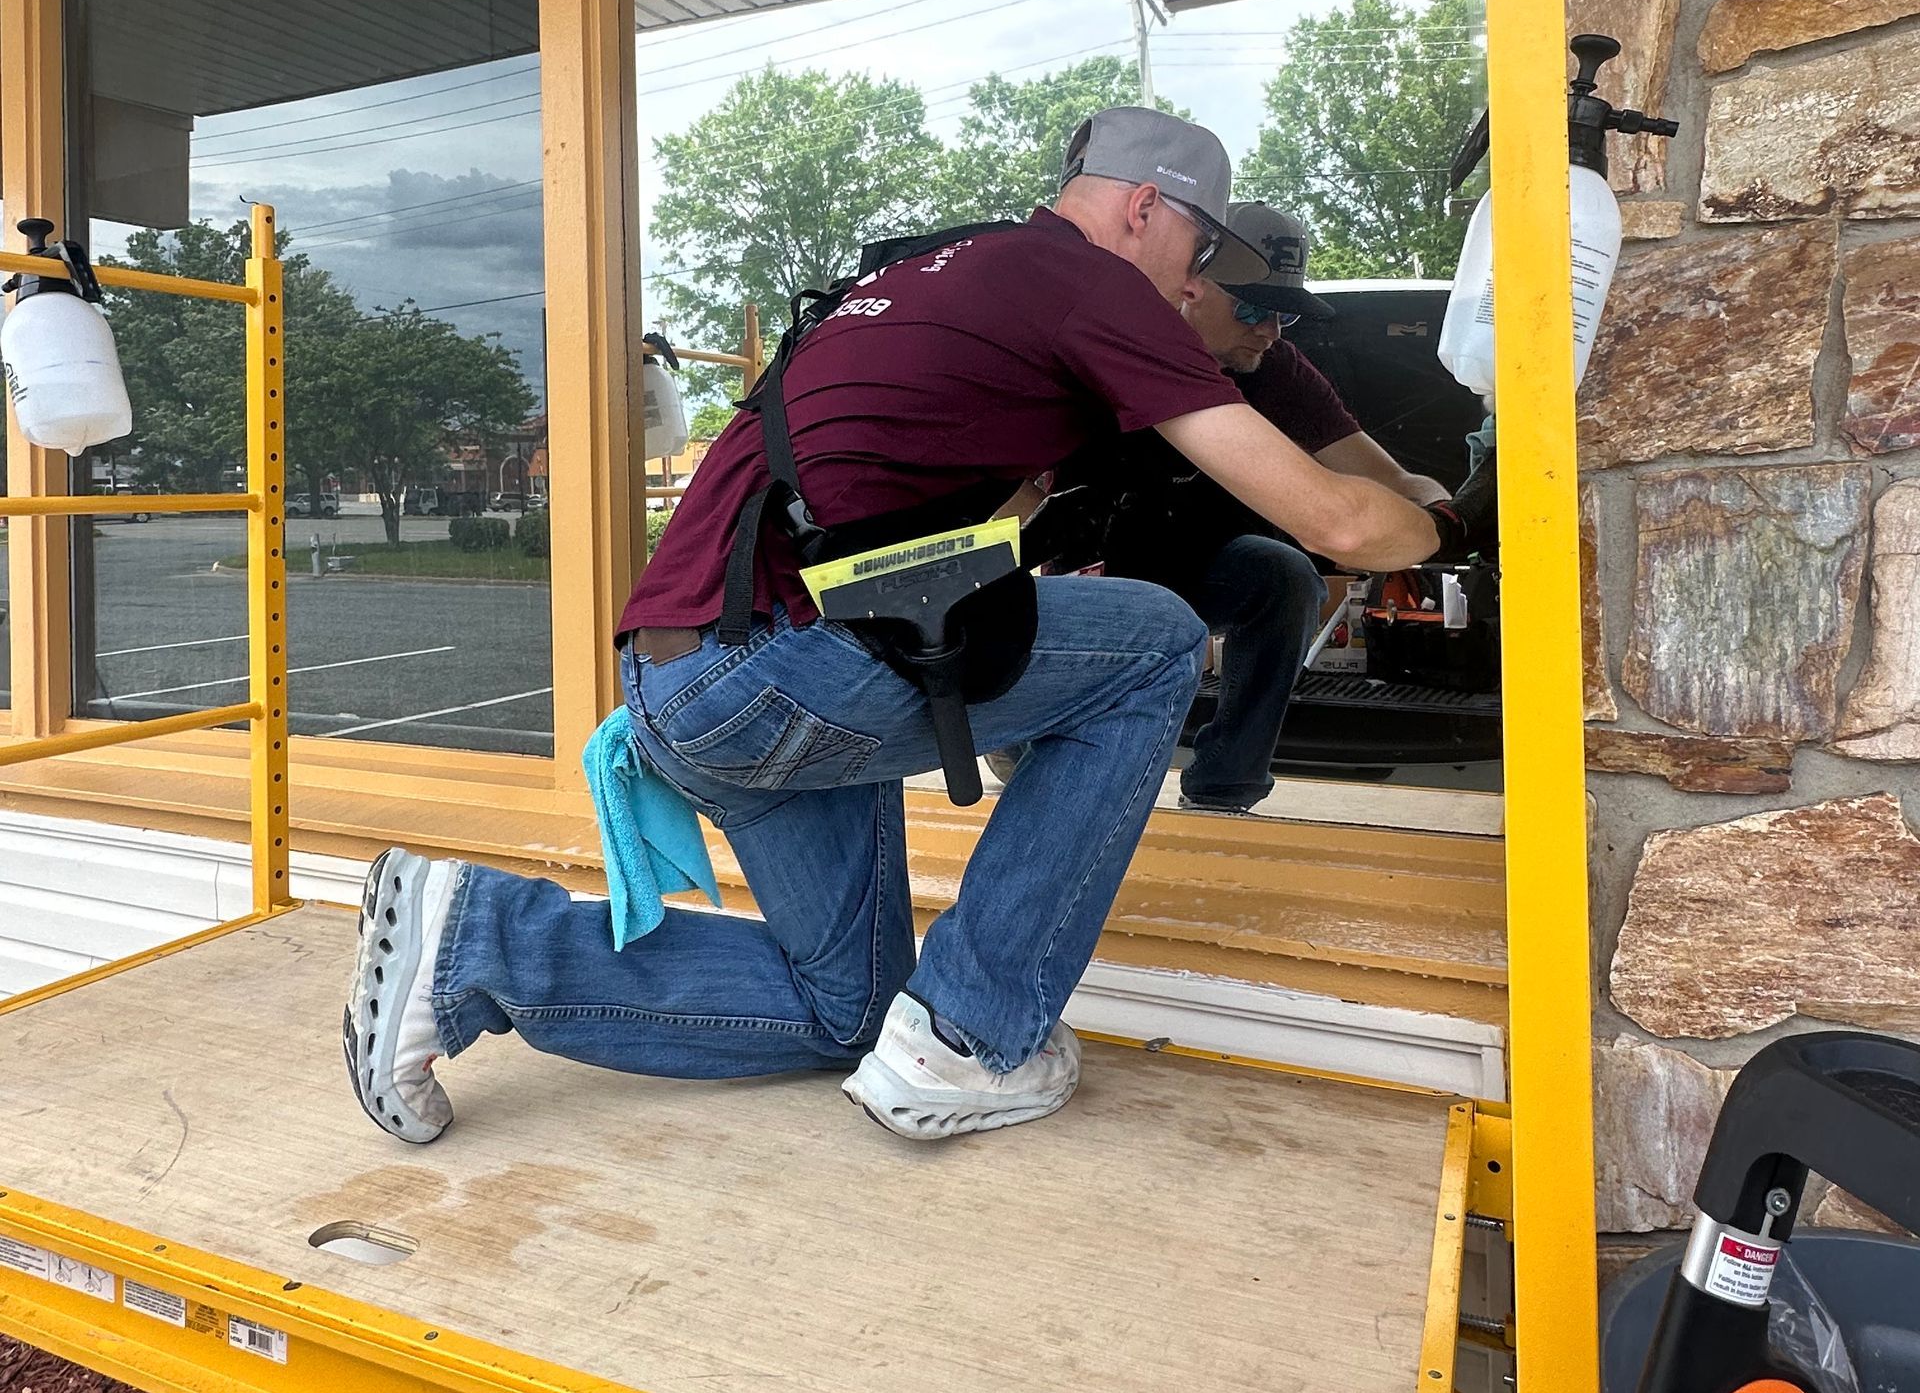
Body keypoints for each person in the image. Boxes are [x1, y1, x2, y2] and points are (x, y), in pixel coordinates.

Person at [344, 111, 1471, 1151]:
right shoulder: (1087, 282)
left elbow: (950, 518)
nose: (1199, 277)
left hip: (682, 673)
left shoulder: (931, 271)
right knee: (1158, 641)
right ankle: (973, 1037)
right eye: (1201, 244)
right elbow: (1334, 520)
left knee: (851, 1009)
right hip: (777, 670)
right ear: (1144, 210)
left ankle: (479, 938)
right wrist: (1446, 522)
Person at [1083, 203, 1453, 815]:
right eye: (1253, 308)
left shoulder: (1277, 369)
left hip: (1193, 557)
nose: (1272, 329)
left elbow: (1390, 479)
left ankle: (1226, 789)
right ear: (1189, 285)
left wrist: (1450, 512)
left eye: (1286, 313)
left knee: (1282, 574)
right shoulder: (1106, 348)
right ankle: (1049, 761)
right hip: (1091, 572)